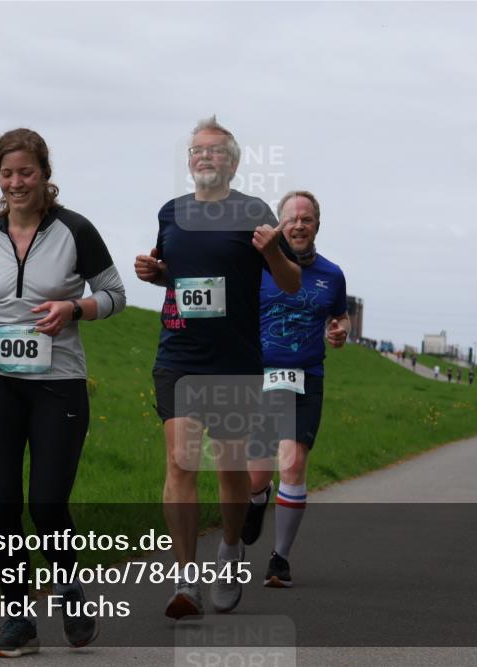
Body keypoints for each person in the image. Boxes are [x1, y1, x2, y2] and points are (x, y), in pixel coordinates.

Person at [0, 128, 126, 657]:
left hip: (59, 384)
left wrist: (74, 309)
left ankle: (71, 594)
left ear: (45, 175)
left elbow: (114, 295)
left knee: (47, 503)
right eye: (7, 174)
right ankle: (18, 622)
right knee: (1, 504)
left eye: (26, 172)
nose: (16, 182)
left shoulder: (76, 230)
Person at [134, 116, 300, 618]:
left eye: (213, 152)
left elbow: (290, 282)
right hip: (179, 354)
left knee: (229, 467)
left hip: (234, 359)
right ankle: (186, 580)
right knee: (181, 462)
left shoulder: (254, 212)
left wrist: (272, 250)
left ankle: (230, 550)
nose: (203, 158)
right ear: (189, 162)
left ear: (232, 162)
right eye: (195, 152)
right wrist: (156, 274)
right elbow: (179, 278)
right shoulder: (171, 213)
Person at [239, 190, 349, 588]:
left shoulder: (332, 275)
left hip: (306, 376)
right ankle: (256, 498)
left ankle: (279, 559)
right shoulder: (257, 267)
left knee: (294, 462)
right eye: (292, 218)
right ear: (278, 224)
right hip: (259, 375)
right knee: (256, 474)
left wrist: (340, 330)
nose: (299, 224)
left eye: (307, 218)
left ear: (317, 225)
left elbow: (340, 315)